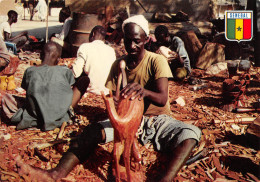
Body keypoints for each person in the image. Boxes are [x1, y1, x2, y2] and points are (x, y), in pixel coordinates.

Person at [15, 15, 201, 182]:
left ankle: (164, 179)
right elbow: (114, 101)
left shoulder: (155, 61)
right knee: (90, 132)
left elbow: (161, 99)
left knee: (190, 134)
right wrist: (116, 107)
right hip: (126, 123)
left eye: (136, 41)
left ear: (146, 39)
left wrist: (143, 91)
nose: (132, 46)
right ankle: (55, 174)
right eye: (128, 41)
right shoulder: (118, 64)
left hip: (156, 120)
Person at [1, 41, 89, 131]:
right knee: (85, 80)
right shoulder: (65, 71)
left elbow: (28, 92)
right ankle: (64, 111)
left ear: (40, 55)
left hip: (35, 115)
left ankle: (37, 118)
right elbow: (69, 86)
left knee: (7, 99)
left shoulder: (30, 71)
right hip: (60, 115)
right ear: (58, 59)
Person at [71, 25, 116, 95]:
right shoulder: (111, 51)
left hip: (89, 92)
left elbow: (76, 73)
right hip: (106, 92)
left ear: (93, 34)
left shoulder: (85, 47)